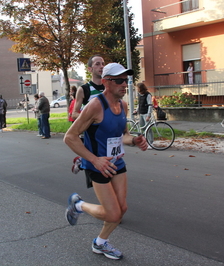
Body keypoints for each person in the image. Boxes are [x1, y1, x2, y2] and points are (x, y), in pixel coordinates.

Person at [64, 63, 147, 260]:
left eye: (125, 80)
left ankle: (100, 243)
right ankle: (78, 205)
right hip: (97, 165)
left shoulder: (123, 105)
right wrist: (95, 160)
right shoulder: (95, 105)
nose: (124, 84)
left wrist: (134, 140)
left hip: (117, 163)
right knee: (113, 214)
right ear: (105, 82)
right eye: (118, 80)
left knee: (122, 209)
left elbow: (123, 136)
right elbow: (70, 137)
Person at [71, 55, 105, 174]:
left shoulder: (109, 87)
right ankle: (83, 161)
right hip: (92, 138)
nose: (101, 66)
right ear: (90, 69)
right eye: (97, 64)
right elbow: (74, 113)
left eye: (102, 63)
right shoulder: (84, 89)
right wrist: (90, 119)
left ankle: (81, 161)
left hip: (109, 137)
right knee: (96, 174)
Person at [135, 83, 153, 149]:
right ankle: (145, 141)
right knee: (142, 128)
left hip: (146, 113)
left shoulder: (147, 95)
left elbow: (150, 105)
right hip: (141, 113)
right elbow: (139, 104)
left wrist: (148, 115)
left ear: (141, 88)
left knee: (148, 129)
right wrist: (136, 110)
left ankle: (150, 142)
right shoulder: (139, 95)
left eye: (137, 88)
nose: (137, 89)